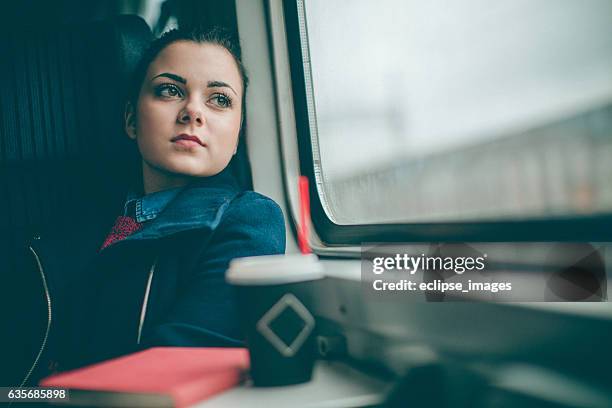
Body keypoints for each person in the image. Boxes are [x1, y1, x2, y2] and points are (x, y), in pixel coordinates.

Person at [13, 26, 286, 386]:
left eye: (219, 99)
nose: (193, 111)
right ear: (130, 120)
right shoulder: (72, 221)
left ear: (237, 135)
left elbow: (181, 364)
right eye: (169, 90)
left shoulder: (250, 221)